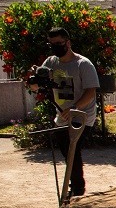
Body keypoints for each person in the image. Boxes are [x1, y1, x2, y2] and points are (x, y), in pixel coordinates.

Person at [29, 27, 100, 198]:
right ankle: (75, 187)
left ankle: (77, 189)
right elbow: (36, 84)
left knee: (71, 150)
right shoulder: (51, 62)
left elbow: (91, 92)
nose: (55, 47)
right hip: (61, 116)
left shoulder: (83, 64)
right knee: (67, 151)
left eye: (58, 43)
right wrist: (34, 81)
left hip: (82, 115)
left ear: (68, 43)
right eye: (51, 44)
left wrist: (75, 108)